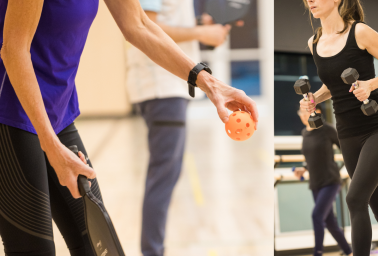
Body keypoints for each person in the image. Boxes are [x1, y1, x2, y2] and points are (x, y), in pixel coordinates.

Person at [0, 0, 258, 255]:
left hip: (58, 111)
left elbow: (139, 25)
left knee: (99, 247)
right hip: (8, 112)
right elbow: (14, 50)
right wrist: (50, 146)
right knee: (34, 250)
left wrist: (211, 84)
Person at [299, 0, 378, 255]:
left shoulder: (359, 32)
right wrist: (314, 98)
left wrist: (370, 84)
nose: (310, 1)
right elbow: (333, 86)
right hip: (347, 133)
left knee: (354, 199)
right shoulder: (313, 42)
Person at [125, 0, 233, 255]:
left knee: (168, 175)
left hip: (171, 87)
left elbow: (163, 21)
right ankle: (152, 251)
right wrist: (200, 33)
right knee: (163, 176)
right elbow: (146, 25)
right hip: (161, 87)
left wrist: (196, 26)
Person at [293, 107, 352, 256]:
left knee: (317, 215)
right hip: (315, 182)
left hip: (331, 180)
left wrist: (348, 167)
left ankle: (317, 253)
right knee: (330, 222)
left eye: (306, 112)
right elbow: (313, 157)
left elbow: (345, 148)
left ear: (316, 112)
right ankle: (348, 251)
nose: (303, 115)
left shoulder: (326, 129)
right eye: (301, 113)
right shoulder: (305, 133)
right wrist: (304, 168)